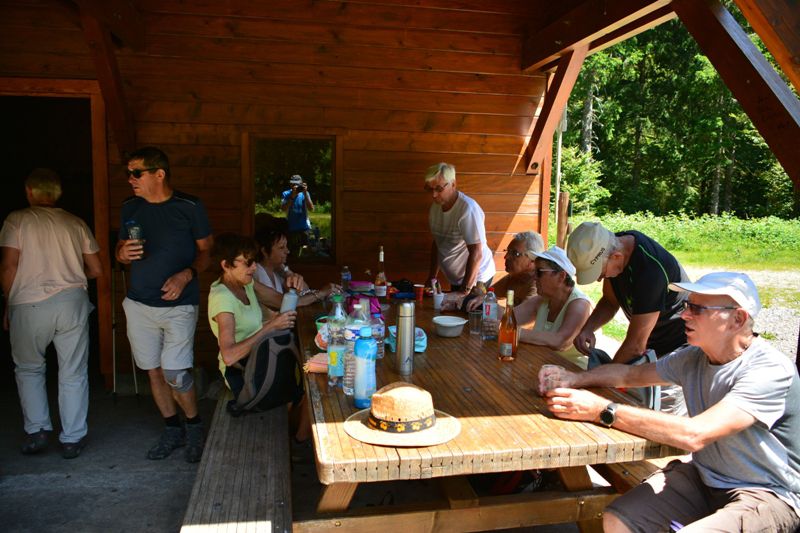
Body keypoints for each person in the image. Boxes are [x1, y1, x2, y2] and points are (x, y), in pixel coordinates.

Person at [539, 272, 800, 533]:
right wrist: (574, 379)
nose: (685, 315)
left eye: (697, 309)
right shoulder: (693, 357)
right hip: (705, 478)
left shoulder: (770, 369)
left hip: (767, 493)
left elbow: (695, 434)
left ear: (738, 319)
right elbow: (628, 374)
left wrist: (602, 411)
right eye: (688, 305)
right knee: (618, 519)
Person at [115, 147, 213, 463]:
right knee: (153, 371)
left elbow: (207, 252)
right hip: (139, 303)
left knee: (176, 372)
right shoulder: (130, 206)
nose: (130, 179)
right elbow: (120, 247)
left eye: (136, 173)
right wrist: (120, 254)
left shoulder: (190, 206)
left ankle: (195, 427)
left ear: (159, 174)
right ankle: (173, 429)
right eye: (128, 173)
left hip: (179, 304)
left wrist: (186, 275)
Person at [0, 168, 102, 459]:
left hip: (29, 303)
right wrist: (69, 273)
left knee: (30, 368)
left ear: (29, 192)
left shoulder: (17, 219)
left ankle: (37, 431)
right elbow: (95, 270)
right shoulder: (75, 222)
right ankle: (72, 438)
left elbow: (8, 266)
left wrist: (8, 303)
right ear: (58, 193)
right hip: (72, 303)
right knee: (73, 371)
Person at [567, 221, 689, 413]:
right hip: (649, 345)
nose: (599, 279)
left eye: (600, 273)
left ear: (616, 256)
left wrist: (597, 380)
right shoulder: (615, 247)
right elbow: (609, 301)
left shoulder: (651, 271)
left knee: (660, 418)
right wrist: (588, 327)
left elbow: (635, 346)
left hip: (675, 350)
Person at [207, 233, 310, 441]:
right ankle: (299, 441)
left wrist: (318, 292)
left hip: (261, 361)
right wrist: (271, 326)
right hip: (243, 374)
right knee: (311, 390)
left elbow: (282, 300)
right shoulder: (222, 298)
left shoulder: (246, 284)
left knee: (309, 384)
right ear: (226, 265)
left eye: (254, 261)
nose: (254, 268)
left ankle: (297, 439)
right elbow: (229, 355)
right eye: (248, 263)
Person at [514, 247, 592, 368]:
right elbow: (509, 317)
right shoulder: (543, 300)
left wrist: (512, 332)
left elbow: (560, 342)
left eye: (539, 272)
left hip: (574, 372)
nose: (534, 277)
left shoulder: (580, 304)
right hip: (544, 366)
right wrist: (487, 302)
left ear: (561, 276)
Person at [425, 162, 495, 294]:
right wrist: (432, 277)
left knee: (468, 311)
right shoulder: (435, 208)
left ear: (453, 184)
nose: (433, 195)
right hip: (457, 279)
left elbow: (477, 252)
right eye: (430, 189)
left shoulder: (467, 209)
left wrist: (465, 290)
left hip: (478, 278)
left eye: (439, 189)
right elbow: (438, 243)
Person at [253, 223, 338, 313]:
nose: (287, 251)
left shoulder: (276, 271)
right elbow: (284, 304)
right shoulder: (258, 273)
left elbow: (305, 289)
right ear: (264, 251)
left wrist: (288, 272)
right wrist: (321, 293)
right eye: (281, 248)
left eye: (286, 246)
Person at [467, 230, 544, 309]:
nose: (506, 257)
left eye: (515, 253)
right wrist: (481, 295)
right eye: (507, 251)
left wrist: (490, 304)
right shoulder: (514, 277)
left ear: (532, 260)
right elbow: (490, 294)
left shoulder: (539, 286)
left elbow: (521, 317)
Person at [281, 174, 314, 255]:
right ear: (290, 184)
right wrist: (292, 196)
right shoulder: (286, 194)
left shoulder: (305, 193)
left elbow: (311, 209)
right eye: (293, 184)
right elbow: (283, 209)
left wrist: (305, 193)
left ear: (301, 184)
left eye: (297, 184)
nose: (295, 186)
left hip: (304, 228)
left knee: (306, 254)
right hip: (291, 228)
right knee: (293, 253)